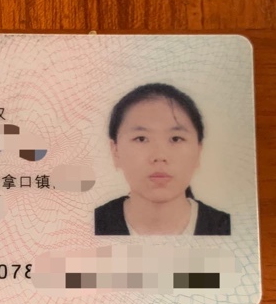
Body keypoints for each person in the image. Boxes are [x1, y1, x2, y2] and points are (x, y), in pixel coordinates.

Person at [94, 83, 230, 235]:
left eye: (176, 139)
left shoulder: (225, 227)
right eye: (141, 139)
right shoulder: (91, 224)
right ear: (115, 151)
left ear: (198, 151)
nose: (159, 156)